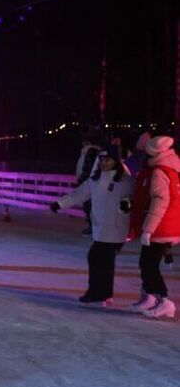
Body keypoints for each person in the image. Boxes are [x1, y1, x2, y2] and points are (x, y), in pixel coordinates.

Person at [50, 146, 134, 306]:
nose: (104, 163)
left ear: (115, 161)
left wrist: (128, 204)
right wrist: (59, 203)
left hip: (115, 228)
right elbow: (79, 194)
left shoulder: (124, 180)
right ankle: (101, 293)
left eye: (108, 160)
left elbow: (134, 196)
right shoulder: (95, 180)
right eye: (102, 160)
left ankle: (99, 293)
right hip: (100, 227)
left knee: (98, 258)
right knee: (100, 260)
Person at [126, 135, 180, 319]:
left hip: (161, 227)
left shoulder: (159, 172)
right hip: (164, 224)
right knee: (147, 263)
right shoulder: (168, 169)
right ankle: (149, 296)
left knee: (149, 265)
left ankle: (164, 301)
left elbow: (160, 202)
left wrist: (148, 230)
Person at [75, 133, 102, 237]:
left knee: (90, 205)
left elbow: (88, 168)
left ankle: (93, 226)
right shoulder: (86, 151)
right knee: (89, 205)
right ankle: (92, 225)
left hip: (89, 182)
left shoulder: (91, 152)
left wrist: (82, 180)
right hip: (88, 182)